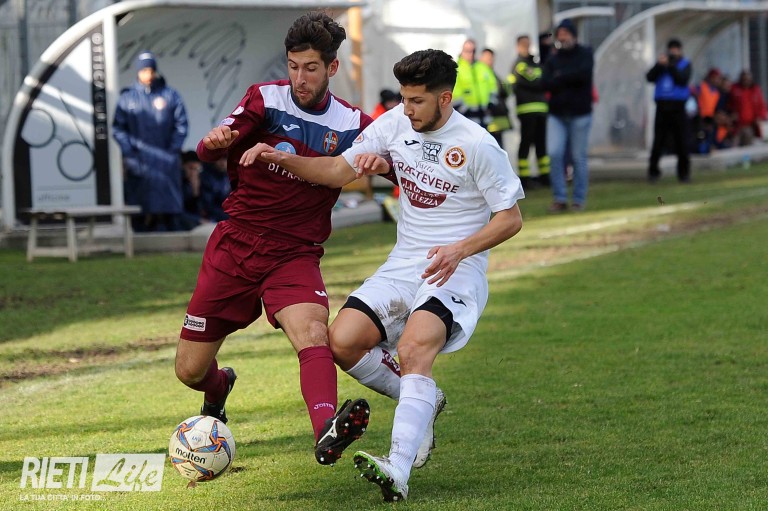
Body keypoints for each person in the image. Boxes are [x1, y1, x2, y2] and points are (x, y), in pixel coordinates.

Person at [240, 48, 525, 502]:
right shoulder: (394, 124)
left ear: (445, 98)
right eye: (404, 99)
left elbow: (510, 218)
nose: (406, 109)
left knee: (413, 350)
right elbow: (337, 170)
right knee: (342, 341)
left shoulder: (477, 144)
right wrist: (279, 158)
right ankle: (424, 400)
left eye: (417, 101)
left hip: (457, 269)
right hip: (404, 263)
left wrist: (459, 249)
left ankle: (398, 468)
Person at [174, 12, 372, 467]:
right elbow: (207, 149)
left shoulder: (353, 124)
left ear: (332, 68)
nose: (300, 78)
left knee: (313, 332)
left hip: (295, 253)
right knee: (189, 370)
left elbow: (398, 165)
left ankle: (326, 430)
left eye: (311, 68)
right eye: (294, 66)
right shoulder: (264, 99)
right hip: (235, 247)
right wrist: (216, 141)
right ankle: (219, 386)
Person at [113, 51, 188, 232]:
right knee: (140, 204)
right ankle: (140, 236)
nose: (148, 74)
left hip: (166, 160)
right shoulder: (127, 98)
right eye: (144, 70)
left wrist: (172, 151)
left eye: (151, 70)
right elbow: (118, 128)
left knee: (169, 204)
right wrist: (129, 154)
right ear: (138, 72)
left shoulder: (170, 95)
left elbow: (181, 125)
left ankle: (172, 235)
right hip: (139, 160)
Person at [541, 18, 594, 212]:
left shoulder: (585, 54)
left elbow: (583, 76)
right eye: (560, 34)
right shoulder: (553, 58)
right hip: (557, 114)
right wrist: (567, 77)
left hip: (580, 114)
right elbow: (545, 83)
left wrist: (560, 76)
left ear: (573, 35)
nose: (562, 38)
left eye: (566, 34)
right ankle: (560, 198)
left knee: (578, 157)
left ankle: (578, 199)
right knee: (555, 154)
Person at [646, 38, 692, 183]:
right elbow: (649, 77)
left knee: (681, 142)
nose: (673, 52)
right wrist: (659, 65)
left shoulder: (685, 64)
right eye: (671, 49)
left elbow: (682, 80)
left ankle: (683, 174)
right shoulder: (661, 64)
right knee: (658, 141)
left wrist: (671, 66)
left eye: (676, 49)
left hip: (678, 107)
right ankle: (653, 172)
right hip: (662, 107)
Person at [509, 34, 549, 190]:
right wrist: (541, 82)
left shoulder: (535, 63)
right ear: (518, 46)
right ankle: (524, 179)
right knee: (526, 144)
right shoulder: (519, 65)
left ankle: (545, 177)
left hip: (541, 110)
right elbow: (537, 82)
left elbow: (544, 81)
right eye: (523, 44)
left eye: (528, 44)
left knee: (541, 145)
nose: (526, 47)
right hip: (526, 110)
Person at [452, 39, 492, 128]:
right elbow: (454, 93)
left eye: (473, 51)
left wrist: (491, 104)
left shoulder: (482, 67)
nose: (470, 54)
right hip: (466, 116)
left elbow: (493, 87)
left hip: (484, 115)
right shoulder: (456, 69)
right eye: (467, 51)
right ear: (462, 51)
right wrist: (464, 109)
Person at [478, 48, 512, 146]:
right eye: (487, 57)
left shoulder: (492, 74)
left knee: (497, 146)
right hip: (489, 117)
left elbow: (503, 92)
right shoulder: (480, 72)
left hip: (497, 118)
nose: (490, 60)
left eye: (491, 58)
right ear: (481, 58)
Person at [728, 69, 767, 146]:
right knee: (733, 145)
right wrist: (731, 115)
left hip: (749, 126)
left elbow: (762, 106)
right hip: (736, 126)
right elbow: (729, 104)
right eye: (744, 79)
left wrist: (760, 117)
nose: (746, 81)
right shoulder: (735, 89)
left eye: (748, 79)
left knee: (747, 146)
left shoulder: (755, 90)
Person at [199, 157, 230, 223]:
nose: (222, 162)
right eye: (219, 159)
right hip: (211, 219)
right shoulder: (206, 177)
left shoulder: (228, 177)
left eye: (225, 159)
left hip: (226, 215)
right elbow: (208, 206)